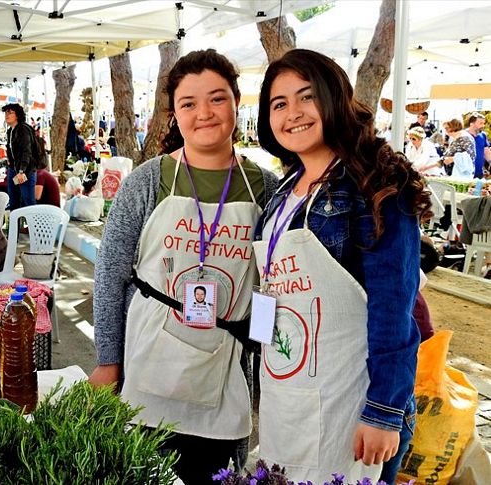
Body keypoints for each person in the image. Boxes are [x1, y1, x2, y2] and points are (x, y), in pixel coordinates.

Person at [89, 49, 279, 484]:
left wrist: (267, 364)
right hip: (148, 361)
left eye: (216, 99)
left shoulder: (266, 187)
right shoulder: (148, 180)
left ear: (236, 102)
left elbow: (273, 287)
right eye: (188, 104)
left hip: (224, 368)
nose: (204, 114)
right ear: (174, 114)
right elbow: (111, 273)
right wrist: (107, 359)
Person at [254, 49, 429, 484]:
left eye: (306, 97)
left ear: (334, 99)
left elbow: (394, 311)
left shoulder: (377, 185)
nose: (292, 113)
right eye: (279, 104)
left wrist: (385, 412)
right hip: (287, 397)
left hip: (352, 404)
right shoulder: (283, 192)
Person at [1, 103, 37, 209]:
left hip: (25, 170)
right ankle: (16, 225)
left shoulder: (23, 129)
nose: (7, 115)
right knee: (14, 202)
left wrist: (22, 171)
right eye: (6, 112)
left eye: (10, 112)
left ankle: (35, 225)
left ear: (17, 115)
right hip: (14, 169)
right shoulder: (10, 131)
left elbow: (27, 151)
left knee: (28, 202)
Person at [467, 112, 489, 179]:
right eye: (480, 123)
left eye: (483, 123)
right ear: (471, 124)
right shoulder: (463, 136)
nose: (483, 126)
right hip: (465, 174)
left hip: (479, 174)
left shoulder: (483, 135)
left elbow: (486, 152)